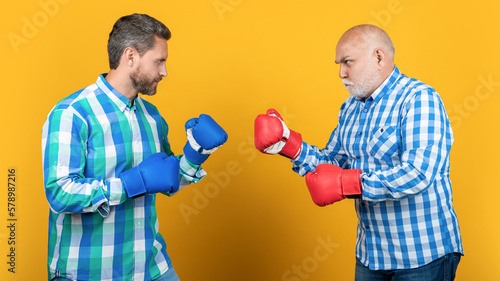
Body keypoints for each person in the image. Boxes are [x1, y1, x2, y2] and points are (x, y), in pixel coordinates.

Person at [254, 24, 463, 280]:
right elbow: (332, 163)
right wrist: (289, 145)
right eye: (338, 64)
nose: (341, 73)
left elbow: (418, 174)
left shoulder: (419, 99)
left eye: (347, 62)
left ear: (378, 57)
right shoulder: (350, 108)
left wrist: (349, 183)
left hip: (421, 255)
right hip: (371, 254)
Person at [42, 13, 228, 281]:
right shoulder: (72, 114)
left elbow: (164, 178)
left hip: (150, 267)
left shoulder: (152, 117)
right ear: (130, 57)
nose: (164, 72)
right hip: (89, 271)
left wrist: (195, 154)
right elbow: (59, 193)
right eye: (159, 61)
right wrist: (132, 182)